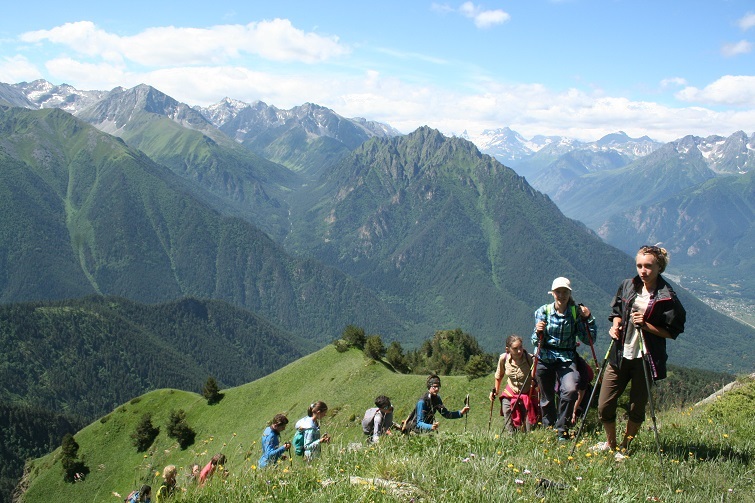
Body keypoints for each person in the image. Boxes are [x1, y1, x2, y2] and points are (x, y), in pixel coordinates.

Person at [596, 245, 685, 457]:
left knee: (636, 407)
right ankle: (611, 443)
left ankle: (625, 448)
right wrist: (616, 325)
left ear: (659, 268)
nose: (642, 271)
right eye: (639, 266)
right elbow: (616, 311)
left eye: (648, 266)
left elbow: (672, 331)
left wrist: (645, 325)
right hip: (621, 353)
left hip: (645, 357)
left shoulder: (667, 297)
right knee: (604, 405)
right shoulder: (628, 286)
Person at [532, 277, 597, 440]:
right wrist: (537, 331)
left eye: (564, 292)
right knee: (546, 397)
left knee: (570, 390)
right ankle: (550, 427)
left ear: (569, 293)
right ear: (553, 293)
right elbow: (535, 340)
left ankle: (562, 429)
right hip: (545, 357)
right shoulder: (542, 311)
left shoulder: (575, 312)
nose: (561, 295)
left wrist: (588, 319)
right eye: (558, 292)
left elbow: (589, 339)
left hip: (567, 357)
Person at [490, 335, 537, 433]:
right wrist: (495, 391)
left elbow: (536, 378)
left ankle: (528, 439)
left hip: (527, 394)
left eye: (520, 347)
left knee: (529, 427)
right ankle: (511, 438)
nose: (519, 351)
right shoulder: (503, 359)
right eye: (515, 348)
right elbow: (499, 376)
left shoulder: (530, 359)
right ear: (508, 349)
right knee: (507, 414)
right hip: (510, 393)